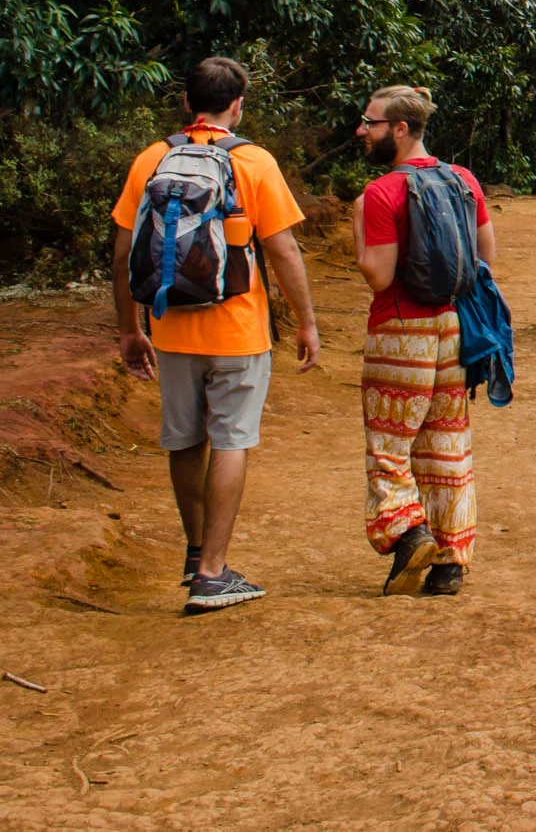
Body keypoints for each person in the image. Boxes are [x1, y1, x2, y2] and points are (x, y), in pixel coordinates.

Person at [110, 57, 321, 612]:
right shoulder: (253, 161)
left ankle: (195, 548)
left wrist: (130, 329)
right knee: (231, 440)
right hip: (238, 330)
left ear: (186, 103)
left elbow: (123, 250)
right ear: (238, 104)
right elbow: (281, 249)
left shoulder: (154, 158)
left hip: (171, 325)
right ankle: (212, 572)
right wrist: (307, 320)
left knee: (184, 437)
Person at [353, 85, 495, 596]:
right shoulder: (463, 180)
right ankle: (451, 562)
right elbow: (486, 255)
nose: (361, 130)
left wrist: (359, 234)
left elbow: (379, 275)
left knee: (390, 444)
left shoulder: (381, 192)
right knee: (447, 444)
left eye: (369, 122)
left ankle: (407, 533)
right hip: (454, 329)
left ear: (400, 129)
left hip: (399, 332)